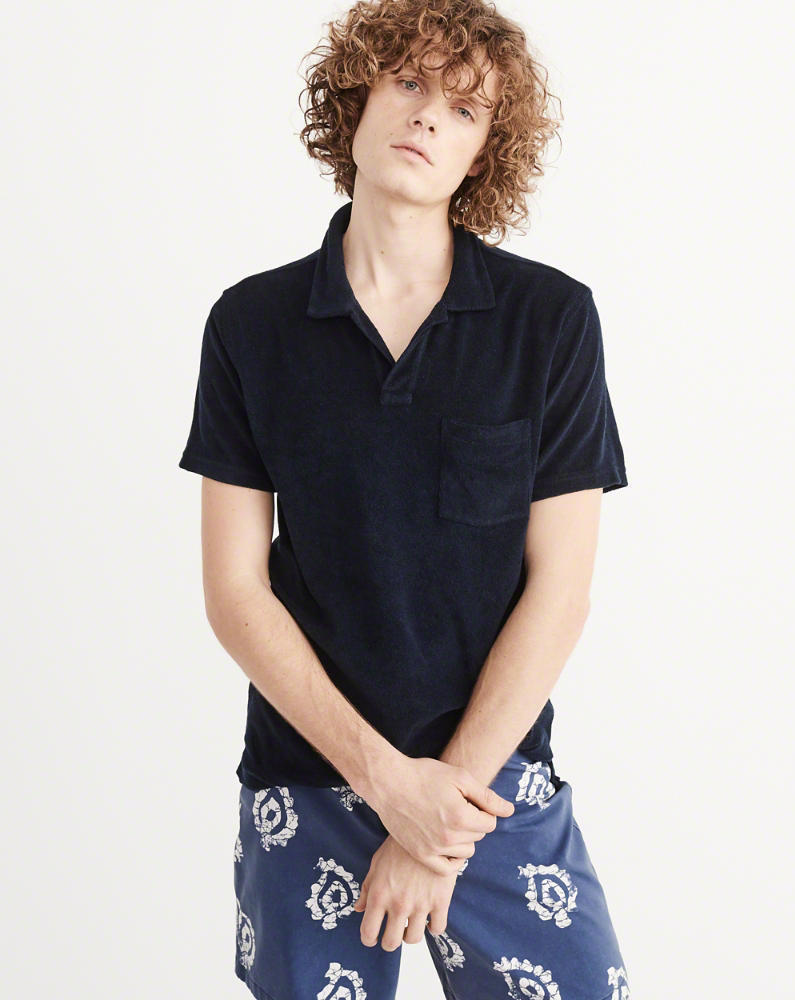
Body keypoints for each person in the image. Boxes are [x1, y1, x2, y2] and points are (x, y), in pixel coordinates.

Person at [178, 1, 633, 998]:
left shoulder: (550, 320)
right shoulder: (250, 325)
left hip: (491, 784)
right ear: (357, 98)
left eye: (464, 108)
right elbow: (234, 591)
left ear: (484, 153)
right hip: (309, 776)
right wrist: (388, 783)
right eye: (409, 83)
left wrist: (437, 820)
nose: (429, 115)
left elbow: (559, 590)